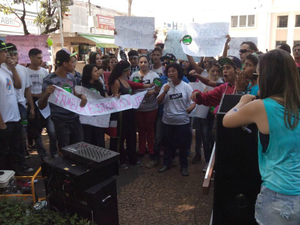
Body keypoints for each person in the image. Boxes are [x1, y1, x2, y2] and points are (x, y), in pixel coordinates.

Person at [223, 49, 300, 225]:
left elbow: (227, 120)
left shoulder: (261, 107)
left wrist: (241, 101)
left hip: (278, 194)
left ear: (266, 77)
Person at [38, 49, 87, 150]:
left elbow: (73, 94)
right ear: (65, 63)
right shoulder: (49, 80)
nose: (74, 64)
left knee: (79, 148)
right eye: (72, 62)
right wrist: (46, 93)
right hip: (60, 121)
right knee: (66, 150)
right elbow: (41, 105)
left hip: (74, 118)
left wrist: (81, 96)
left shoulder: (71, 77)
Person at [157, 63, 195, 176]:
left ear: (178, 72)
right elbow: (158, 102)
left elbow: (193, 102)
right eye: (169, 71)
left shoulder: (186, 86)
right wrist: (164, 91)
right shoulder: (165, 86)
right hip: (168, 121)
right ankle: (167, 163)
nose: (171, 73)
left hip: (182, 121)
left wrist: (191, 107)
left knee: (183, 145)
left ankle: (184, 166)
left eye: (173, 71)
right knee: (168, 144)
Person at [108, 60, 144, 169]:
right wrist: (116, 96)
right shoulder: (116, 82)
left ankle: (132, 157)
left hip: (129, 112)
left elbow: (130, 92)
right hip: (120, 114)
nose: (130, 71)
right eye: (128, 69)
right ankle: (121, 159)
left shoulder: (126, 81)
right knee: (120, 136)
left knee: (131, 135)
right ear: (125, 70)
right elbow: (114, 97)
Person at [5, 43, 34, 172]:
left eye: (15, 54)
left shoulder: (22, 70)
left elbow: (26, 89)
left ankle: (22, 163)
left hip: (21, 107)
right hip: (8, 109)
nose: (13, 57)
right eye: (10, 55)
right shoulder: (3, 69)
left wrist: (31, 107)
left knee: (22, 137)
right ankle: (12, 167)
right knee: (10, 140)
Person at [27, 48, 58, 161]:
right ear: (31, 58)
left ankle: (54, 152)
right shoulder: (26, 71)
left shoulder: (44, 72)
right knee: (36, 132)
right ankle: (43, 154)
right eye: (39, 58)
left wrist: (44, 95)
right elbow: (26, 90)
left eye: (42, 58)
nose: (41, 60)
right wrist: (33, 102)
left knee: (52, 131)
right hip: (33, 105)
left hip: (45, 105)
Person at [130, 55, 160, 163]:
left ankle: (151, 150)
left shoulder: (154, 75)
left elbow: (159, 88)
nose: (143, 64)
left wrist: (153, 92)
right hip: (138, 108)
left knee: (150, 129)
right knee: (141, 130)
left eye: (145, 62)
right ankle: (142, 149)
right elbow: (130, 89)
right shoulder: (133, 75)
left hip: (151, 107)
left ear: (149, 63)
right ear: (138, 63)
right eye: (141, 62)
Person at [0, 40, 22, 171]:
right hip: (4, 122)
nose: (7, 54)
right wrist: (1, 123)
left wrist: (13, 68)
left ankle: (15, 182)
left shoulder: (4, 68)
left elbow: (18, 85)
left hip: (14, 118)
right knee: (3, 154)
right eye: (4, 51)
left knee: (14, 152)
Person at [81, 64, 105, 147]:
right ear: (89, 73)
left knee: (99, 141)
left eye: (97, 71)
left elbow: (103, 98)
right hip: (86, 119)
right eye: (95, 71)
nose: (98, 73)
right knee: (88, 141)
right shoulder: (81, 85)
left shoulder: (99, 85)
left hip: (98, 119)